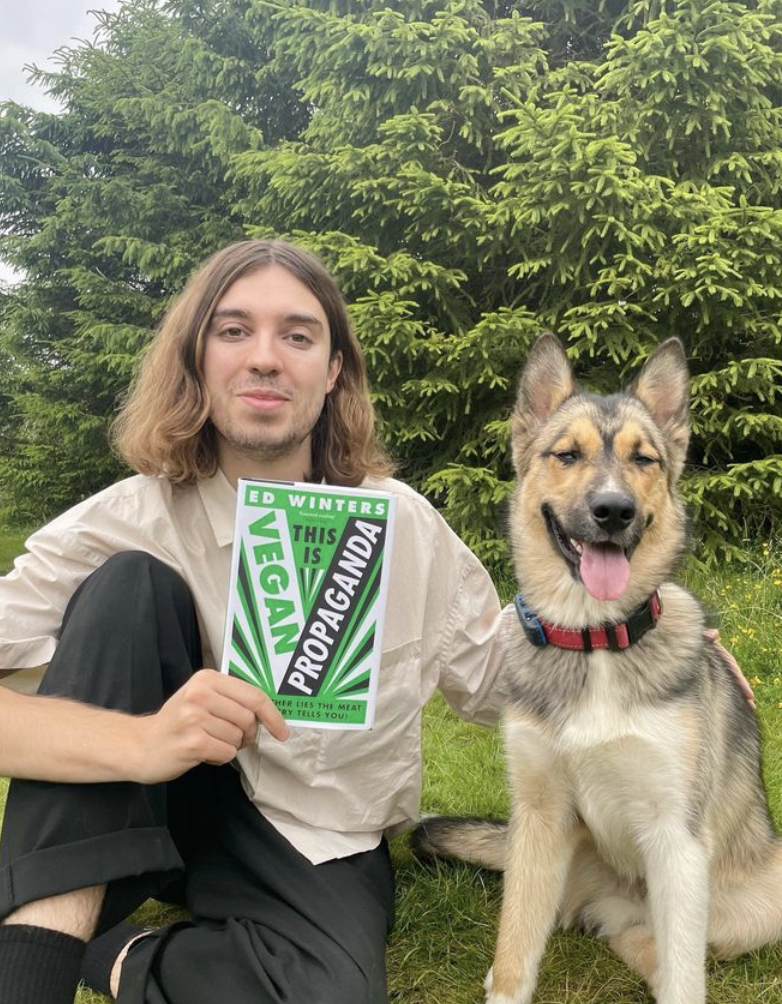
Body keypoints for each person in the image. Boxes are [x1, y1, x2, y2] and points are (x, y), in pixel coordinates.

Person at [0, 240, 508, 1004]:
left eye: (298, 336)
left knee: (326, 993)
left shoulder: (405, 527)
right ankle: (29, 974)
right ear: (197, 361)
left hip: (311, 828)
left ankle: (111, 952)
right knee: (127, 587)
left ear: (333, 371)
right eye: (234, 331)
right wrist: (140, 743)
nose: (266, 358)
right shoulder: (124, 520)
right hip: (146, 803)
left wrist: (642, 637)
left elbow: (501, 682)